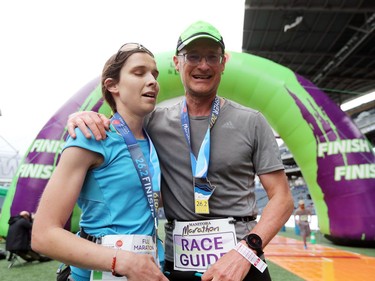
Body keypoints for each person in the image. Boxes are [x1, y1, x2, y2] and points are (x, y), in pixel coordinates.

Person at [66, 21, 294, 281]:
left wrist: (246, 251)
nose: (203, 65)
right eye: (193, 56)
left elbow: (283, 199)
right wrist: (84, 116)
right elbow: (120, 123)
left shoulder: (252, 121)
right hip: (177, 266)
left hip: (241, 263)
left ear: (223, 62)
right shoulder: (152, 121)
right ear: (177, 62)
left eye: (212, 57)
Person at [31, 43, 168, 281]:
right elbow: (43, 235)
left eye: (154, 74)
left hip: (149, 270)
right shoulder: (91, 136)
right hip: (98, 274)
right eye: (139, 72)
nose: (152, 80)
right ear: (112, 85)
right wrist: (124, 262)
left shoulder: (157, 136)